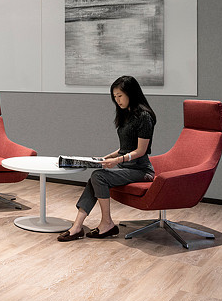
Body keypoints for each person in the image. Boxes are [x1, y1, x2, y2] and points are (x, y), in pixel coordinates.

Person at [57, 75, 157, 242]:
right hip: (127, 167)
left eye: (120, 96)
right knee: (94, 178)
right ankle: (77, 226)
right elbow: (126, 147)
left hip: (141, 170)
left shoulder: (145, 116)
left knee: (99, 176)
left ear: (131, 93)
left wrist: (116, 161)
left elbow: (140, 151)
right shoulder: (127, 114)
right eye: (114, 97)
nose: (117, 100)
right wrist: (106, 157)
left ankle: (107, 223)